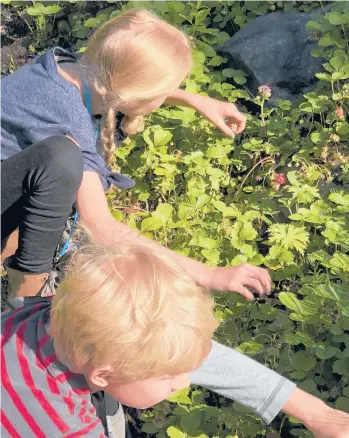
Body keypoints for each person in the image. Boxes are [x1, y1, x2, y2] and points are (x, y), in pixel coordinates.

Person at [1, 8, 266, 301]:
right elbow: (101, 229)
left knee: (56, 165)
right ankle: (25, 302)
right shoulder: (69, 122)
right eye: (164, 92)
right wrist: (209, 274)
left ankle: (13, 248)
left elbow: (119, 83)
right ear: (135, 97)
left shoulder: (71, 66)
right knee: (62, 161)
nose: (167, 96)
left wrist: (194, 99)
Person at [1, 243, 348, 437]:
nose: (184, 382)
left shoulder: (64, 316)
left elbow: (194, 358)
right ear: (103, 375)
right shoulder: (65, 425)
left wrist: (317, 414)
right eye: (168, 377)